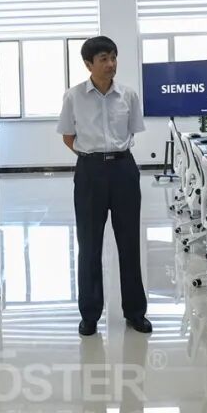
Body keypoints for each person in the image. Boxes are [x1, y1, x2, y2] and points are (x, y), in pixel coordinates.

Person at [56, 36, 151, 336]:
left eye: (113, 57)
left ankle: (135, 311)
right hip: (90, 172)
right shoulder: (73, 96)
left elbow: (133, 131)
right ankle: (89, 314)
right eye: (103, 59)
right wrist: (91, 158)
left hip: (124, 169)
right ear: (88, 64)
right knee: (89, 245)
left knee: (129, 243)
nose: (110, 64)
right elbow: (68, 136)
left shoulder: (128, 95)